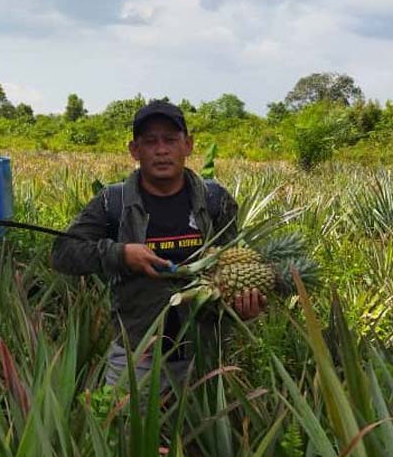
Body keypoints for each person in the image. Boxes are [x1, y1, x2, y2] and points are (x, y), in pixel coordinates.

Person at [51, 100, 265, 388]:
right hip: (137, 355)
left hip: (205, 356)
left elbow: (231, 267)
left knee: (203, 434)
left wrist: (243, 307)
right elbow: (63, 253)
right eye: (150, 141)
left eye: (171, 140)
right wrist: (121, 254)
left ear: (188, 145)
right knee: (122, 430)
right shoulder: (112, 202)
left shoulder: (216, 201)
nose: (161, 150)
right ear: (134, 150)